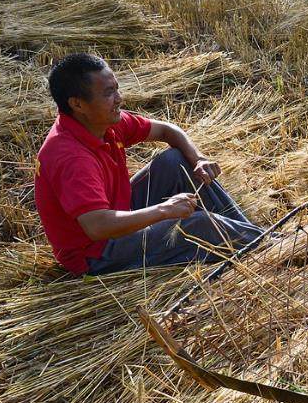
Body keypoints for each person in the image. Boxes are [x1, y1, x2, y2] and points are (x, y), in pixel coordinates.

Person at [34, 53, 263, 276]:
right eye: (108, 93)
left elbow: (167, 130)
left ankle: (257, 238)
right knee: (198, 225)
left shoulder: (104, 122)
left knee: (175, 161)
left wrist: (198, 158)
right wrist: (164, 211)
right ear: (78, 104)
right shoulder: (70, 157)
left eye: (116, 88)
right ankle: (271, 249)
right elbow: (97, 227)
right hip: (97, 253)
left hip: (118, 211)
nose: (119, 98)